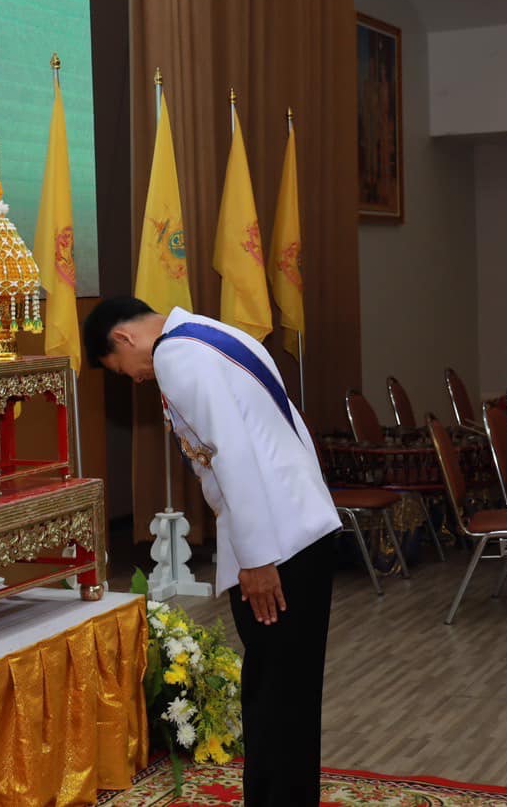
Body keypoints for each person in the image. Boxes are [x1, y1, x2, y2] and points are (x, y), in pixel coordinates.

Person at [85, 296, 340, 806]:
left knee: (274, 695)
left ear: (124, 338)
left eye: (121, 369)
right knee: (294, 692)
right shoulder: (214, 333)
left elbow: (233, 457)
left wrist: (257, 559)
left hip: (275, 543)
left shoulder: (175, 356)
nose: (136, 379)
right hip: (303, 524)